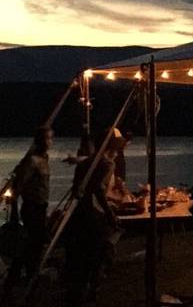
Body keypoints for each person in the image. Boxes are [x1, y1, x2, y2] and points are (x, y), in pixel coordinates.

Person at [64, 129, 120, 307]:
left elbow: (77, 190)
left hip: (78, 215)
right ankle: (91, 295)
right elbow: (97, 189)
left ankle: (77, 296)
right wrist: (110, 213)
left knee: (79, 262)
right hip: (93, 218)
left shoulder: (85, 163)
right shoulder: (107, 164)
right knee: (98, 255)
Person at [1, 127, 53, 299]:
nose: (50, 142)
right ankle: (19, 279)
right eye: (48, 138)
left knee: (35, 245)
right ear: (41, 141)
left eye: (51, 138)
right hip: (31, 208)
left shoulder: (45, 159)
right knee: (32, 245)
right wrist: (14, 207)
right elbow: (20, 184)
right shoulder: (32, 162)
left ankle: (26, 277)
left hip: (41, 206)